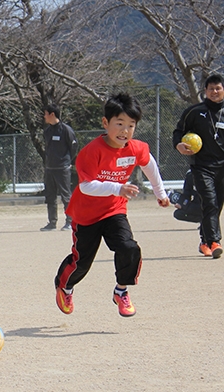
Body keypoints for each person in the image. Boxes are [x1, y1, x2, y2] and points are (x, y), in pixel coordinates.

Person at [54, 93, 170, 318]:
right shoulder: (91, 151)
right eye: (119, 124)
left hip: (114, 211)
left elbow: (150, 166)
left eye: (131, 125)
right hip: (86, 215)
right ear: (105, 123)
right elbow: (86, 186)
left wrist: (160, 193)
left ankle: (121, 290)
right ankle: (64, 287)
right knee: (82, 262)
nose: (125, 131)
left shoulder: (136, 148)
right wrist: (118, 188)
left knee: (129, 247)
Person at [173, 73, 224, 259]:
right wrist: (178, 144)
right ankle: (214, 241)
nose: (214, 92)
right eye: (211, 89)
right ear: (205, 91)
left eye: (218, 88)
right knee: (209, 201)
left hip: (223, 167)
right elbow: (178, 132)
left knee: (216, 205)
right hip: (202, 166)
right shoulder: (194, 112)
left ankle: (204, 241)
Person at [41, 104, 78, 231]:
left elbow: (73, 147)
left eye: (46, 113)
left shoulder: (66, 130)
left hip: (62, 168)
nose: (44, 116)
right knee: (50, 196)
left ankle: (70, 221)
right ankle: (52, 222)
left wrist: (67, 161)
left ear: (52, 114)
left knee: (66, 196)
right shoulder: (47, 131)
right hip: (49, 168)